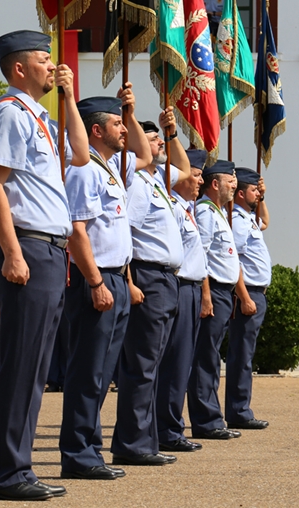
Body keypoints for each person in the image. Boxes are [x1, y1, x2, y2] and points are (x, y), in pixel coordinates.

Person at [0, 29, 89, 501]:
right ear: (19, 68)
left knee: (36, 367)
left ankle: (18, 469)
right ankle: (6, 474)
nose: (53, 65)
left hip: (49, 248)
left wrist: (69, 96)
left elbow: (81, 156)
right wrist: (13, 252)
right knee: (21, 365)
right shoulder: (9, 114)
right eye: (45, 60)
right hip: (27, 246)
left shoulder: (40, 117)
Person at [59, 90, 150, 481]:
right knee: (88, 372)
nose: (124, 131)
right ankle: (79, 455)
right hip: (94, 279)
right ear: (95, 130)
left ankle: (90, 450)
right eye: (117, 124)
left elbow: (146, 157)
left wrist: (128, 110)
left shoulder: (109, 167)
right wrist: (96, 281)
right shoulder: (85, 170)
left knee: (103, 372)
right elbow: (77, 232)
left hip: (115, 277)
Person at [110, 113, 190, 467]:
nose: (159, 145)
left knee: (154, 364)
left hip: (166, 278)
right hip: (148, 277)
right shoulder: (139, 185)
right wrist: (129, 281)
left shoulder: (157, 179)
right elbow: (124, 231)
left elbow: (185, 171)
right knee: (141, 365)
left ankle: (146, 439)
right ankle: (132, 443)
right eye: (154, 139)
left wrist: (172, 133)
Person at [186, 160, 243, 441]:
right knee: (205, 358)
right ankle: (207, 421)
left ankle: (212, 417)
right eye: (230, 180)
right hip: (214, 292)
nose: (235, 185)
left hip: (223, 292)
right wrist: (206, 296)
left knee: (211, 357)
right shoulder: (207, 213)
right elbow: (202, 257)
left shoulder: (218, 212)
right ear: (215, 184)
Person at [156, 149, 208, 453]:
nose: (198, 180)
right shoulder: (174, 208)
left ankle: (171, 425)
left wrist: (203, 294)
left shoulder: (186, 208)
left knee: (182, 362)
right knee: (173, 363)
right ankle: (166, 428)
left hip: (189, 289)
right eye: (195, 174)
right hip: (177, 286)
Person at [225, 168, 271, 430]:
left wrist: (262, 198)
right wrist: (243, 296)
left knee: (246, 354)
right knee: (241, 355)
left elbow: (265, 222)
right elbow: (235, 260)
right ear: (241, 193)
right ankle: (239, 411)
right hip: (249, 293)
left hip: (257, 293)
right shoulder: (237, 219)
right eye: (254, 190)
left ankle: (240, 408)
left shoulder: (248, 217)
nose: (259, 193)